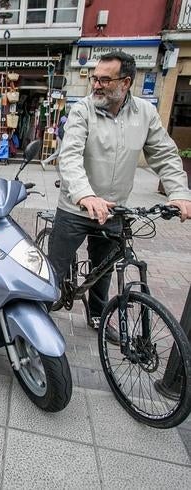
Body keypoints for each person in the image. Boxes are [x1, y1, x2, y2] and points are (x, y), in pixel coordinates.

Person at [48, 51, 191, 344]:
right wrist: (85, 194)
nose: (96, 85)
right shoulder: (82, 111)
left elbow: (164, 154)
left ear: (125, 82)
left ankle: (98, 315)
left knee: (104, 269)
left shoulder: (145, 113)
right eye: (94, 79)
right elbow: (70, 155)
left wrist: (179, 192)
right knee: (54, 268)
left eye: (104, 80)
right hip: (75, 207)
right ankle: (38, 315)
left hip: (114, 209)